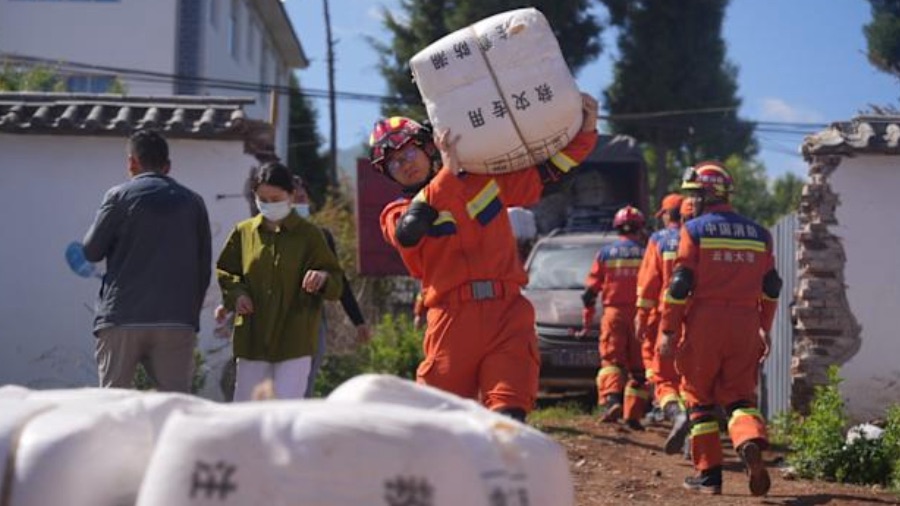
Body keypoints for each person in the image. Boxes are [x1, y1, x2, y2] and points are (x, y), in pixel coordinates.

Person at [370, 93, 599, 422]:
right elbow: (410, 231)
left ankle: (504, 471)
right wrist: (448, 174)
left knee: (508, 413)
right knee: (442, 422)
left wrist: (586, 131)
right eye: (393, 162)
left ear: (429, 147)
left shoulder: (483, 181)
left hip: (507, 312)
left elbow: (550, 175)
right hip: (452, 320)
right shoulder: (395, 213)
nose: (404, 163)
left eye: (408, 151)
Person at [658, 161, 781, 496]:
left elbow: (681, 284)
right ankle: (748, 441)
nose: (692, 201)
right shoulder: (760, 234)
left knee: (699, 399)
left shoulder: (694, 230)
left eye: (695, 194)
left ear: (706, 195)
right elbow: (772, 285)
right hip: (745, 323)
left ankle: (709, 476)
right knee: (739, 397)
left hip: (704, 323)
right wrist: (764, 327)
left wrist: (668, 330)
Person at [82, 129, 211, 393]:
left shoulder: (118, 197)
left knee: (112, 405)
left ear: (132, 162)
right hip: (176, 320)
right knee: (175, 408)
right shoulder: (194, 202)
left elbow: (91, 251)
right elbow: (203, 267)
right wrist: (188, 315)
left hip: (122, 316)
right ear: (168, 166)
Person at [216, 162, 344, 401]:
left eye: (276, 198)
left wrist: (323, 277)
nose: (268, 204)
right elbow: (227, 272)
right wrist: (237, 295)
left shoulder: (310, 235)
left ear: (291, 195)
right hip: (252, 338)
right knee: (247, 412)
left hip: (295, 339)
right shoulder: (243, 233)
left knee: (285, 413)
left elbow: (336, 282)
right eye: (262, 198)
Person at [292, 176, 372, 397]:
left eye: (302, 193)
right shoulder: (267, 234)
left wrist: (358, 321)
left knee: (305, 386)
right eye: (293, 193)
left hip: (313, 321)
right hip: (279, 323)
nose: (300, 196)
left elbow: (340, 280)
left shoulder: (321, 236)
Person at [579, 205, 648, 430]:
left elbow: (589, 293)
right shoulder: (647, 252)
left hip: (613, 314)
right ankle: (633, 415)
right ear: (640, 227)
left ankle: (611, 400)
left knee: (611, 362)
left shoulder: (606, 253)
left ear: (617, 227)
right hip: (641, 315)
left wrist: (587, 323)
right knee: (639, 369)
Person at [635, 193, 690, 451]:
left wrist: (642, 317)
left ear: (668, 215)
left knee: (663, 378)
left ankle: (677, 415)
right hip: (697, 320)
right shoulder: (698, 236)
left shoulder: (658, 240)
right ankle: (698, 440)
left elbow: (648, 285)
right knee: (692, 381)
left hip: (666, 318)